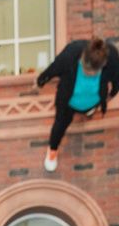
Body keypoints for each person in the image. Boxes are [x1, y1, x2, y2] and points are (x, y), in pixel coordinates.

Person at [36, 37, 119, 172]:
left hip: (94, 99)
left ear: (102, 66)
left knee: (91, 110)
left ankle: (89, 110)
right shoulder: (72, 52)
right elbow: (54, 68)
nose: (87, 73)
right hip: (68, 101)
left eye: (91, 72)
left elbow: (117, 82)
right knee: (60, 125)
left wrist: (110, 96)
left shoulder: (113, 59)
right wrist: (40, 81)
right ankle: (52, 150)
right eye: (84, 68)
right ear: (82, 56)